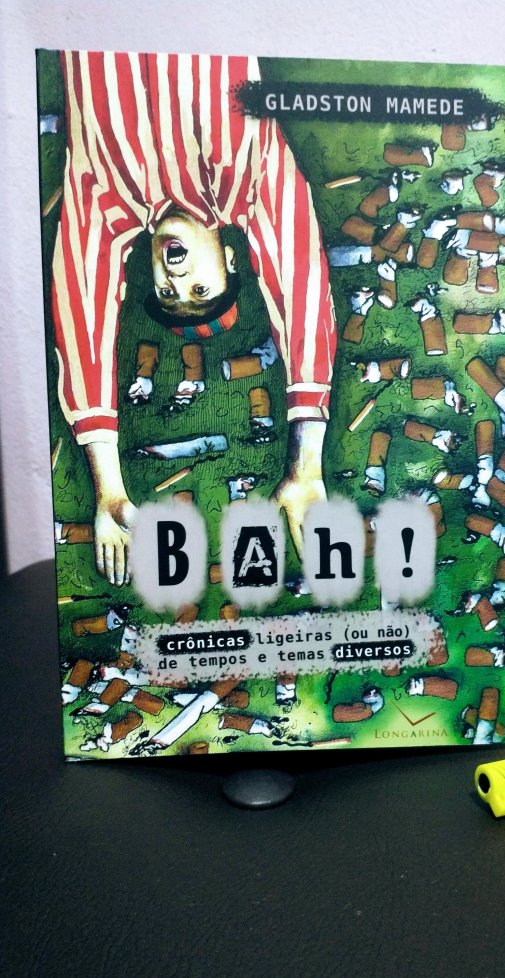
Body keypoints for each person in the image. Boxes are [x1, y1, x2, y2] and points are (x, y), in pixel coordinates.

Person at [51, 50, 337, 585]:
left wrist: (110, 489)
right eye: (201, 290)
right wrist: (306, 466)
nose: (177, 280)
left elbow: (81, 309)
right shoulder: (251, 179)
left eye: (167, 292)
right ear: (231, 258)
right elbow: (300, 281)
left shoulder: (105, 201)